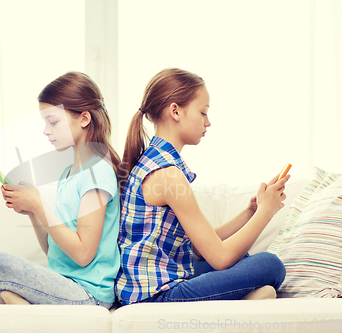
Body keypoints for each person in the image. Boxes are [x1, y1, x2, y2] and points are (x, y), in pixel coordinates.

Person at [115, 68, 289, 306]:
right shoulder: (169, 175)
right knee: (270, 265)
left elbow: (199, 247)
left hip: (148, 287)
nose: (208, 122)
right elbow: (221, 258)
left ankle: (244, 297)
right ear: (175, 111)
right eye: (203, 112)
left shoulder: (153, 161)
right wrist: (266, 212)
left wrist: (251, 213)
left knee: (244, 258)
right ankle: (245, 298)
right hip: (158, 297)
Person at [0, 72, 121, 308]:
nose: (46, 131)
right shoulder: (68, 174)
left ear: (83, 119)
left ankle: (8, 303)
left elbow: (83, 254)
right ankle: (5, 304)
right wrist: (32, 213)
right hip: (61, 283)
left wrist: (39, 204)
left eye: (53, 121)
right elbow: (53, 250)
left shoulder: (97, 171)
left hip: (87, 294)